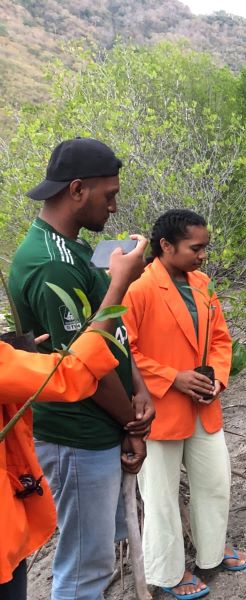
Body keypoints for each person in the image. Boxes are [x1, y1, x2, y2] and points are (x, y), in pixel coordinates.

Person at [8, 138, 155, 600]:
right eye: (108, 195)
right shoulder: (52, 265)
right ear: (76, 190)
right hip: (76, 434)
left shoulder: (73, 248)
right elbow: (81, 367)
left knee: (96, 557)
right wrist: (132, 423)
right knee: (83, 569)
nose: (114, 207)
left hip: (99, 424)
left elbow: (110, 330)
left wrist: (139, 385)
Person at [122, 209, 246, 600]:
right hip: (159, 410)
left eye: (204, 247)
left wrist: (217, 379)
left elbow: (221, 339)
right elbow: (125, 351)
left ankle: (212, 553)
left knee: (215, 482)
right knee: (160, 496)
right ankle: (168, 573)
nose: (203, 255)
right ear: (166, 245)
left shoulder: (202, 284)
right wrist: (172, 377)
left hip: (204, 406)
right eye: (196, 248)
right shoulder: (138, 288)